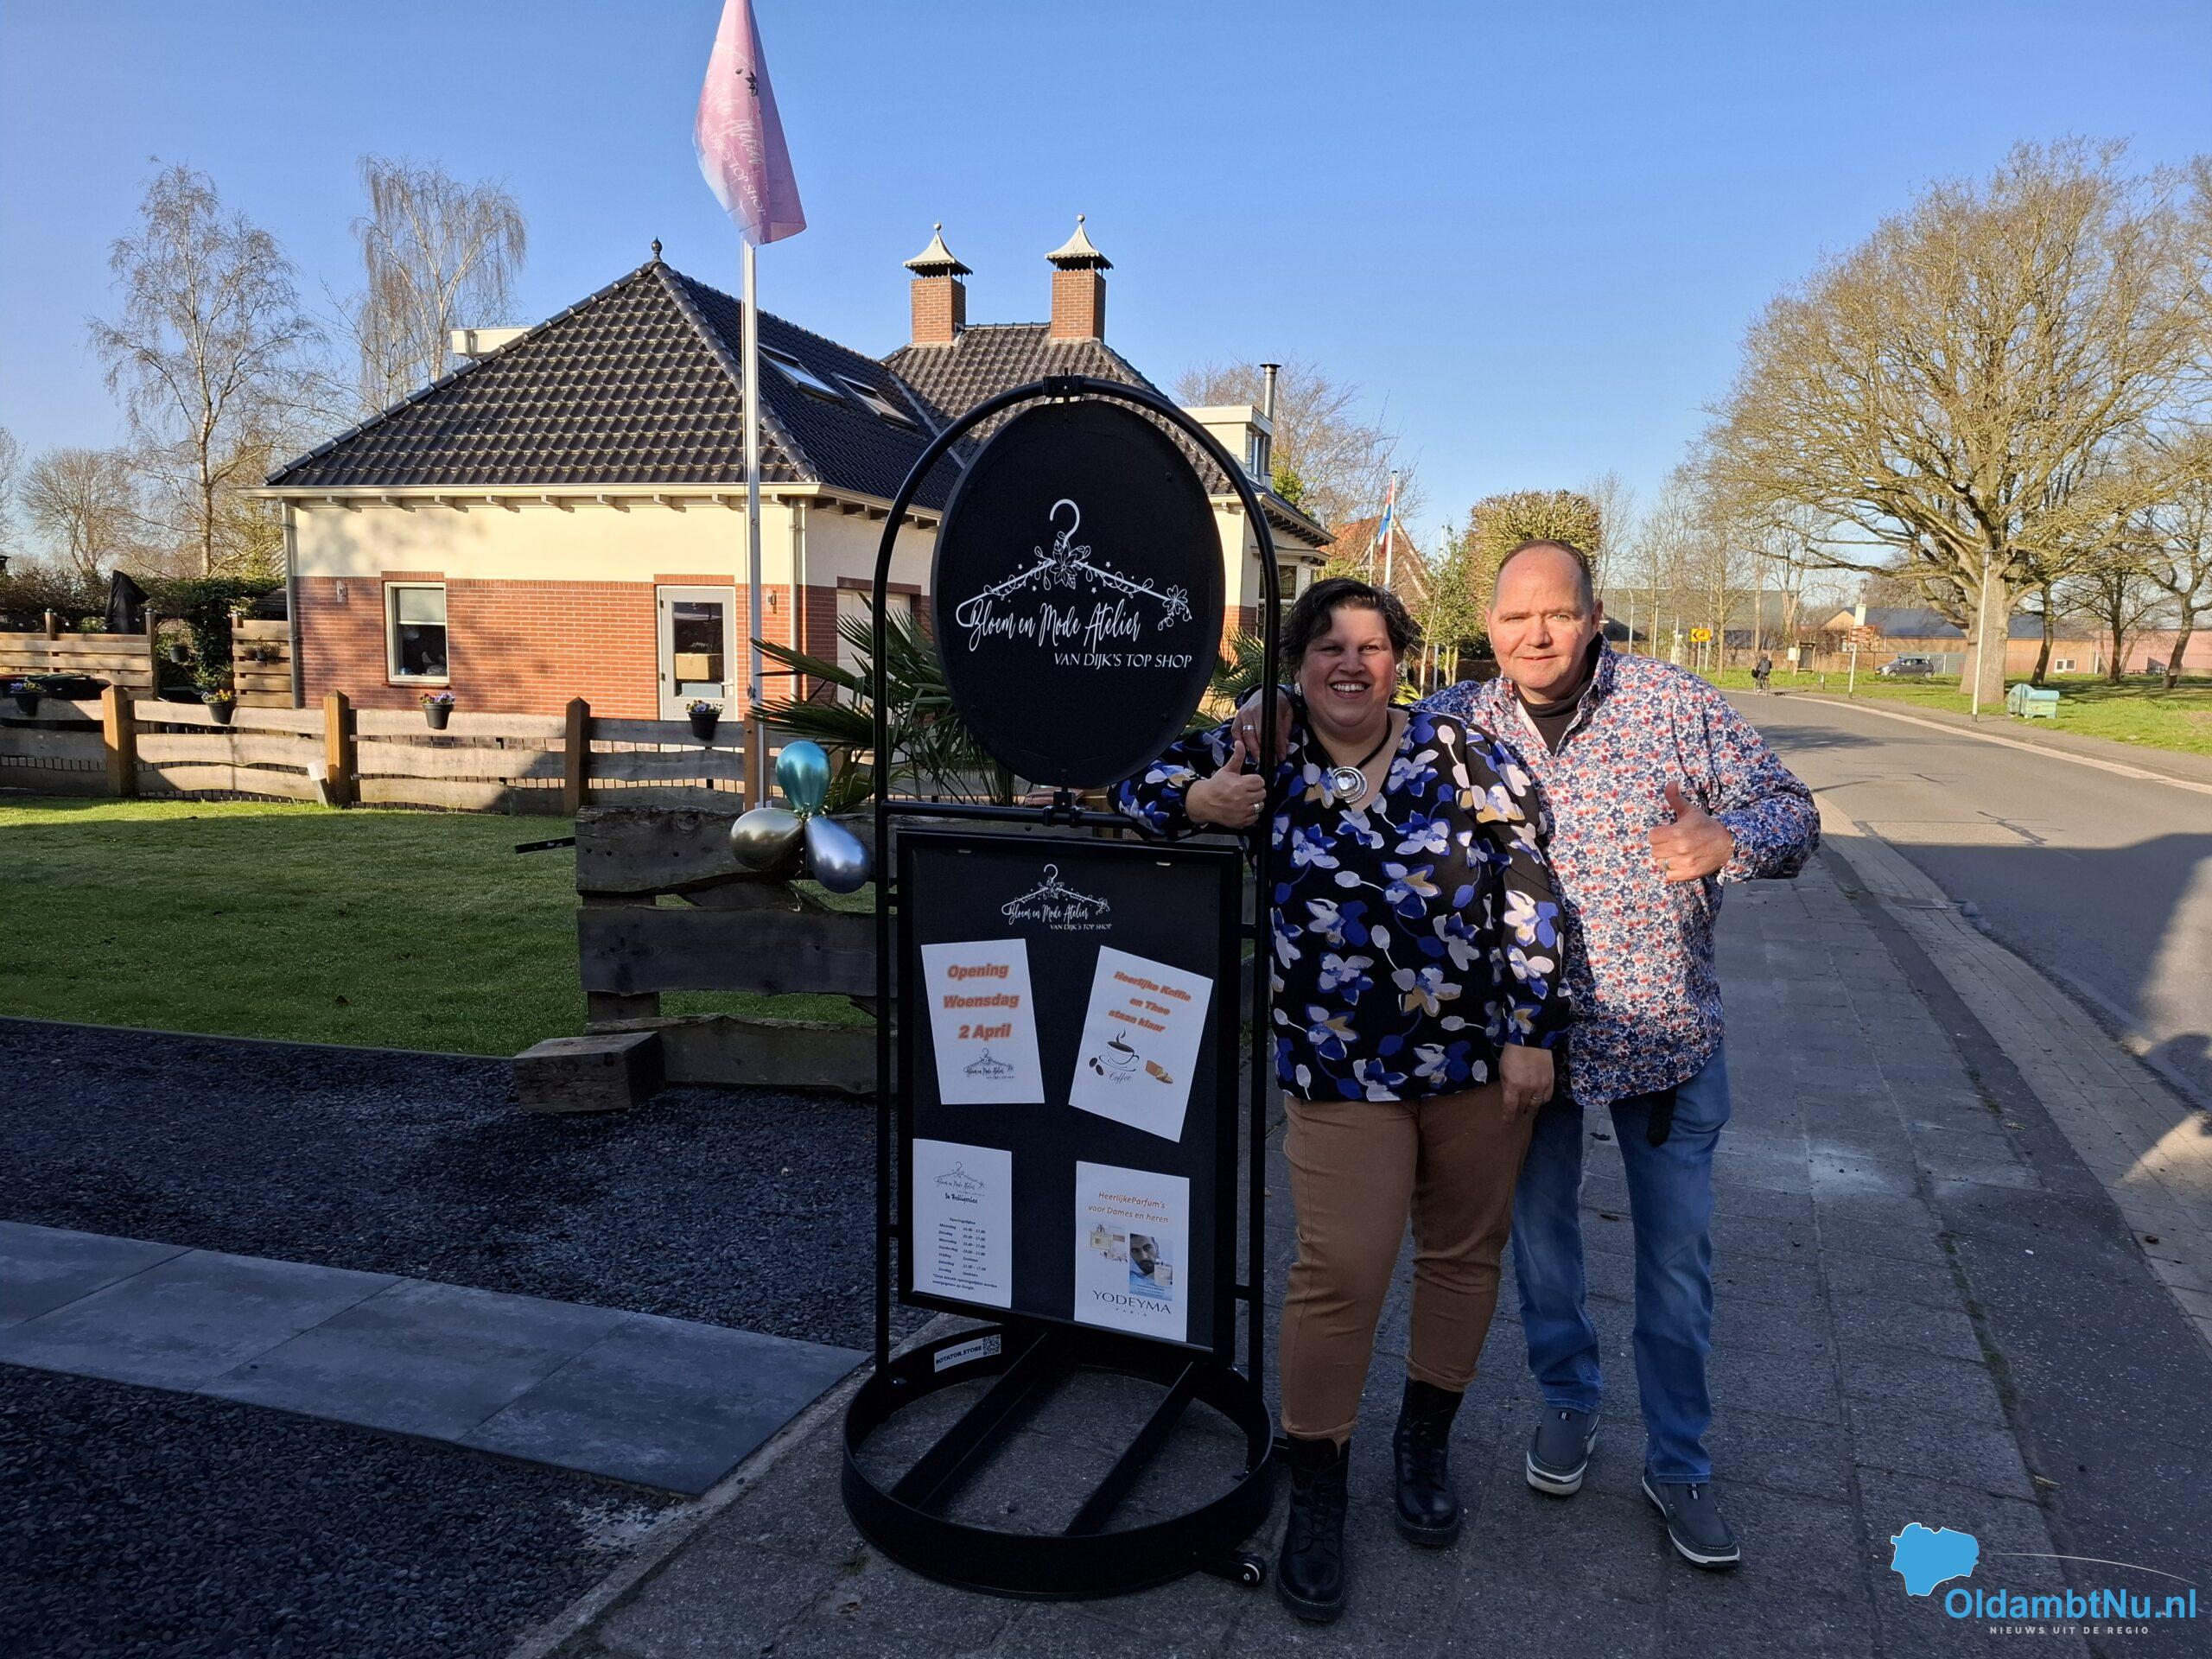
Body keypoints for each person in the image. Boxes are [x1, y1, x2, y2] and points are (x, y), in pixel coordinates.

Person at [1237, 543, 1817, 1571]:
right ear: (1490, 628)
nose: (1535, 635)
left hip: (1658, 1033)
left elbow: (1793, 810)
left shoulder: (1675, 705)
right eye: (1514, 618)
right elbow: (1345, 706)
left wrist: (1728, 842)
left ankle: (1679, 1460)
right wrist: (1260, 713)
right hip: (1519, 1044)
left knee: (1673, 1263)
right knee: (1537, 1249)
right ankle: (1566, 1403)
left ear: (1592, 617)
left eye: (1555, 615)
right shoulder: (1460, 717)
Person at [1120, 577, 1567, 1624]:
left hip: (1475, 1061)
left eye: (1371, 646)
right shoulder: (1261, 747)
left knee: (1463, 1255)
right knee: (1342, 1270)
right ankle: (1317, 1478)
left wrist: (1532, 1033)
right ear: (1298, 662)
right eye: (1329, 647)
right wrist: (1199, 802)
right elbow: (1133, 787)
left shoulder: (1458, 751)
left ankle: (1423, 1442)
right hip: (1337, 1067)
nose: (1351, 664)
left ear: (1399, 659)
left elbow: (1529, 890)